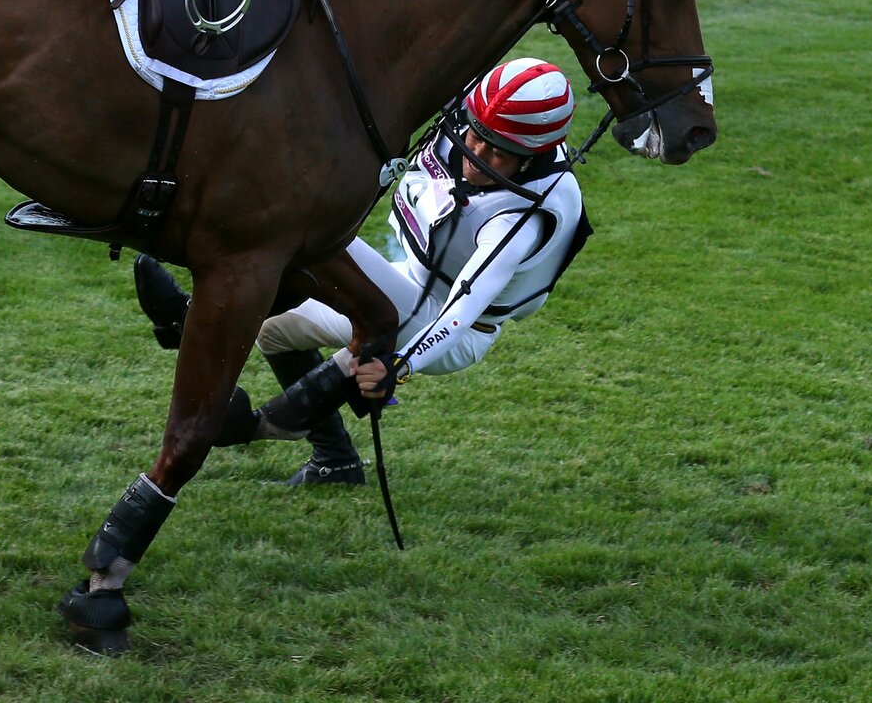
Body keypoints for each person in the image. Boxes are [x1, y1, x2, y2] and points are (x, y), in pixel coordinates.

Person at [134, 57, 591, 485]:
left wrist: (400, 363)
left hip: (456, 323)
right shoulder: (481, 122)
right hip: (411, 279)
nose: (474, 154)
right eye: (474, 135)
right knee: (275, 332)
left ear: (532, 156)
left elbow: (462, 307)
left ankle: (202, 340)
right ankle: (335, 459)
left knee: (309, 234)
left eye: (497, 153)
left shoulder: (523, 219)